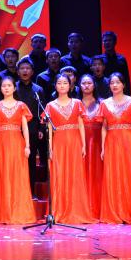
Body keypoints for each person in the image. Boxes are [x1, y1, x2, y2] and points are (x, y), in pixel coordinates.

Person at [99, 73, 131, 224]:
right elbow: (104, 127)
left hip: (128, 140)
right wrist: (103, 147)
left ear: (123, 85)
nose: (114, 85)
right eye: (112, 83)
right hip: (111, 140)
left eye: (117, 82)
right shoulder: (105, 103)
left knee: (130, 173)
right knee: (113, 174)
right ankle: (114, 211)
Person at [44, 73, 94, 224]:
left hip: (74, 141)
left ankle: (76, 210)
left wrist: (83, 144)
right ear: (55, 86)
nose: (62, 85)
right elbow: (49, 129)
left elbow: (81, 125)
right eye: (59, 83)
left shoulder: (77, 103)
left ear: (70, 85)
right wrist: (50, 148)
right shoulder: (50, 105)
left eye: (65, 83)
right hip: (58, 142)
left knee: (75, 174)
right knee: (59, 174)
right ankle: (59, 210)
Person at [0, 75, 35, 224]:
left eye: (9, 86)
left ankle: (19, 212)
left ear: (14, 88)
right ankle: (3, 212)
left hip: (17, 143)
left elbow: (25, 127)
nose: (6, 88)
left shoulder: (21, 105)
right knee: (3, 174)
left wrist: (27, 146)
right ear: (0, 89)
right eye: (4, 86)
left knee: (18, 175)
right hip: (1, 143)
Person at [14, 59, 48, 192]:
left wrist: (41, 128)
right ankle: (17, 190)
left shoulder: (38, 89)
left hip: (33, 128)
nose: (25, 71)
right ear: (17, 71)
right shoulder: (13, 88)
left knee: (31, 159)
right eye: (22, 68)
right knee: (16, 160)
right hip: (16, 128)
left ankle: (30, 190)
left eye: (28, 68)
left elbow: (42, 111)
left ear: (32, 72)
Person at [79, 74, 105, 219]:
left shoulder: (102, 103)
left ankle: (97, 207)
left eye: (89, 83)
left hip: (97, 141)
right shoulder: (75, 103)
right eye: (83, 83)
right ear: (79, 86)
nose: (86, 86)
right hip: (80, 141)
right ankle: (82, 207)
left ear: (94, 85)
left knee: (97, 173)